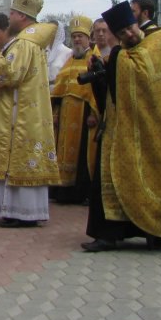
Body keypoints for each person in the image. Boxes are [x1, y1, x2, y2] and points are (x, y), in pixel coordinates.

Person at [82, 2, 161, 252]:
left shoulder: (151, 48)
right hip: (118, 129)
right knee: (108, 178)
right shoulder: (121, 55)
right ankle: (107, 235)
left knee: (151, 177)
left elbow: (146, 82)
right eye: (122, 32)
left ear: (138, 25)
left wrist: (115, 60)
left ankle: (156, 231)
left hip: (150, 133)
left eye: (130, 28)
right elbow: (112, 95)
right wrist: (101, 74)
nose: (128, 34)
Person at [0, 0, 59, 228]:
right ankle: (19, 212)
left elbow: (10, 74)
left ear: (22, 16)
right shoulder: (31, 41)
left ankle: (21, 213)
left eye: (12, 13)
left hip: (19, 114)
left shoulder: (25, 42)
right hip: (24, 110)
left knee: (17, 160)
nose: (9, 16)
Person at [50, 15, 98, 205]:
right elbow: (59, 90)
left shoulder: (94, 59)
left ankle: (80, 193)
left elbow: (97, 90)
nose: (77, 40)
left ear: (88, 38)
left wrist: (94, 113)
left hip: (83, 113)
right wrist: (55, 113)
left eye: (81, 36)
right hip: (65, 114)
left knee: (81, 155)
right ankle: (63, 192)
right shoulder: (69, 60)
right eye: (75, 36)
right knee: (62, 153)